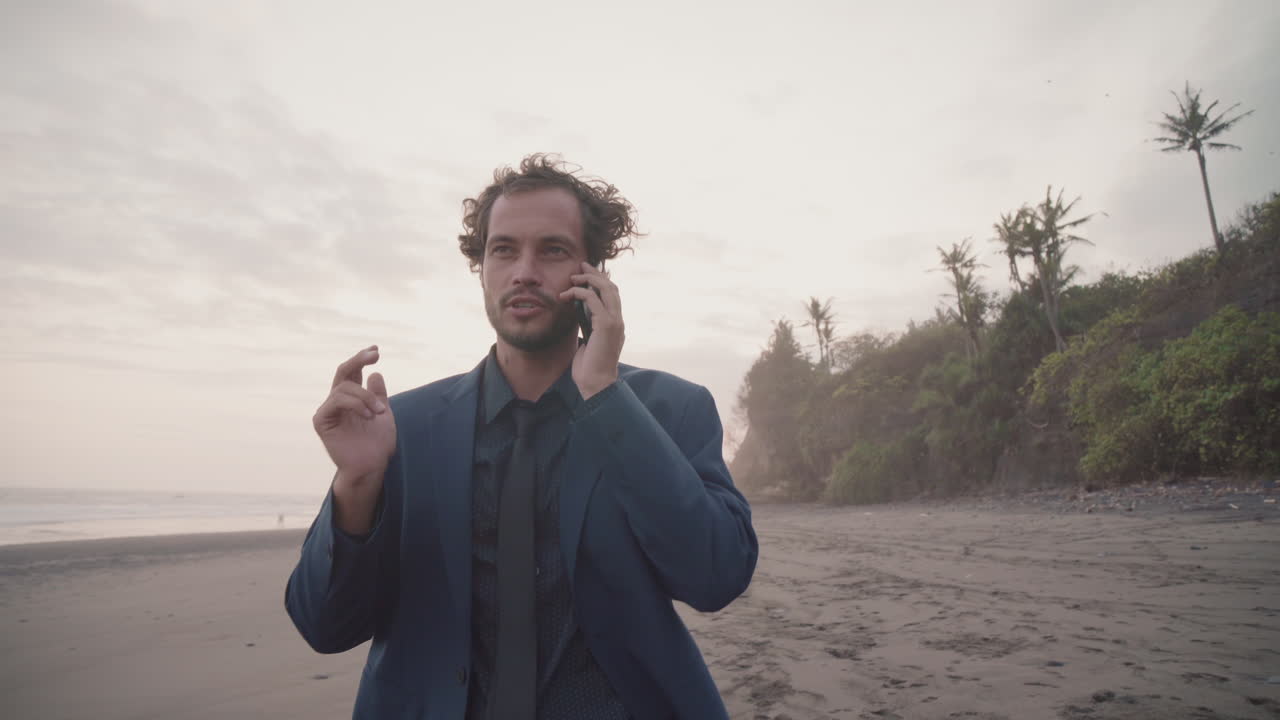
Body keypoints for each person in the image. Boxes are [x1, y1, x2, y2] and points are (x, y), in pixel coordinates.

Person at [285, 154, 758, 720]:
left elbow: (715, 577)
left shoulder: (668, 409)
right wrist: (357, 484)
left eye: (552, 250)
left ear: (593, 272)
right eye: (504, 249)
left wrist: (607, 399)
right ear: (481, 267)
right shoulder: (402, 428)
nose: (524, 271)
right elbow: (325, 625)